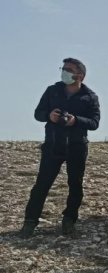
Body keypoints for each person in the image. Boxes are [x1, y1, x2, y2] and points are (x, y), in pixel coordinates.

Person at [19, 57, 101, 238]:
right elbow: (38, 114)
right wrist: (49, 116)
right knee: (42, 184)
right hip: (53, 145)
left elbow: (95, 122)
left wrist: (76, 120)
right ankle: (30, 223)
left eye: (69, 69)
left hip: (77, 146)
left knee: (75, 184)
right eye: (63, 68)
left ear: (80, 75)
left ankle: (69, 220)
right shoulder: (52, 91)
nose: (64, 72)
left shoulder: (90, 97)